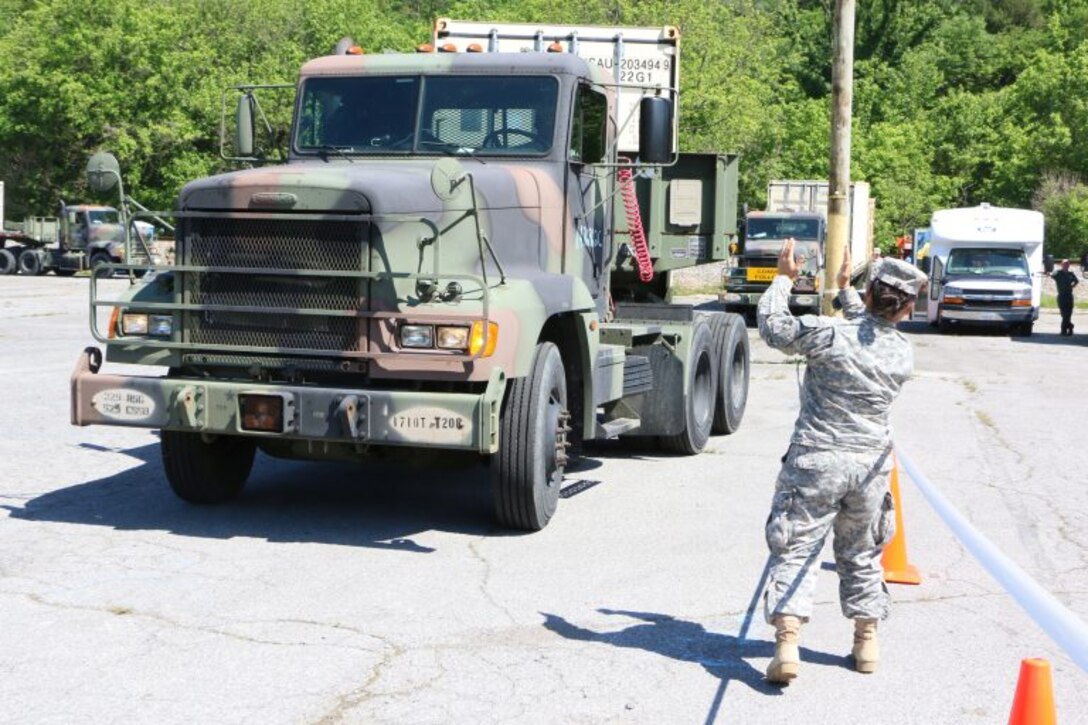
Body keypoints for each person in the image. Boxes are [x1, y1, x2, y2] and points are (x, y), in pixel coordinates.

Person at [757, 238, 928, 684]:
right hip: (870, 468)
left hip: (817, 461)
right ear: (907, 308)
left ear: (870, 293)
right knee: (862, 553)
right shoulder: (902, 354)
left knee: (797, 548)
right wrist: (845, 289)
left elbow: (775, 327)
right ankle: (866, 641)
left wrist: (782, 278)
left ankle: (787, 644)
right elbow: (870, 327)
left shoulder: (829, 333)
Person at [1052, 259, 1078, 336]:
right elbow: (1052, 275)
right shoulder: (1058, 273)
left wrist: (1072, 286)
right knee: (1064, 314)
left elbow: (1076, 281)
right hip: (1061, 296)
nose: (1066, 265)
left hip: (1069, 296)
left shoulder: (1071, 274)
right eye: (1064, 264)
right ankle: (1070, 327)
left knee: (1068, 314)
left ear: (1069, 265)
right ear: (1061, 265)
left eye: (1067, 264)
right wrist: (1048, 272)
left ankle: (1064, 330)